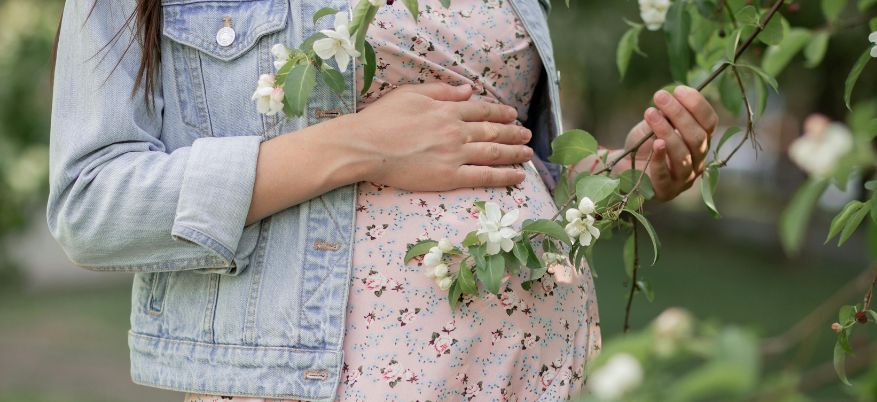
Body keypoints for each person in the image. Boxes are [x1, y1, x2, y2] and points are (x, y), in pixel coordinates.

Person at [48, 0, 718, 400]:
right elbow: (90, 201)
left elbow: (492, 153)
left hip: (536, 371)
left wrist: (617, 175)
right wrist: (358, 145)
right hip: (326, 381)